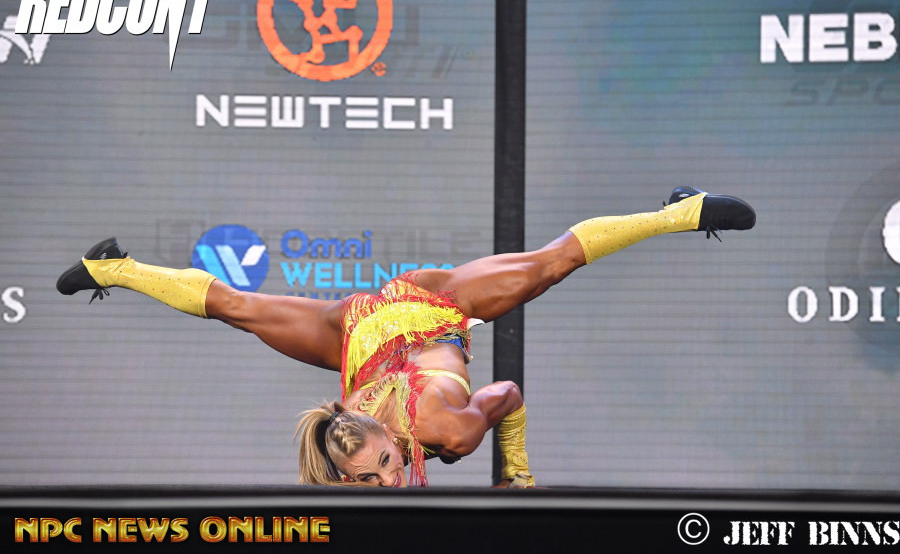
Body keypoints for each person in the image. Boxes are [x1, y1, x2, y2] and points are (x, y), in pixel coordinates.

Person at [56, 186, 755, 488]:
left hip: (431, 305)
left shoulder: (447, 431)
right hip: (355, 331)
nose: (390, 479)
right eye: (375, 478)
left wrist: (517, 477)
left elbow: (508, 395)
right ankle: (114, 266)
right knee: (236, 306)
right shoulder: (350, 438)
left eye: (386, 465)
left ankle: (680, 212)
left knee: (551, 265)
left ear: (372, 431)